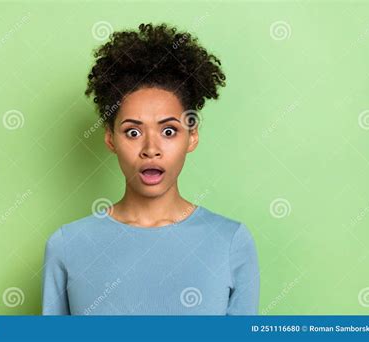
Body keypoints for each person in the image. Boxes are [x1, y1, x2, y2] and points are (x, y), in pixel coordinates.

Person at [42, 23, 260, 315]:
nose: (151, 148)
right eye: (133, 132)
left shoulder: (231, 241)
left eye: (169, 131)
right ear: (110, 138)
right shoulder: (67, 246)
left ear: (192, 136)